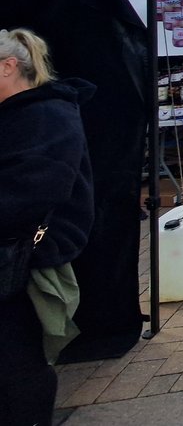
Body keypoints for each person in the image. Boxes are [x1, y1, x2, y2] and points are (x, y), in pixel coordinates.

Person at [0, 28, 95, 425]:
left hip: (23, 261)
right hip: (15, 256)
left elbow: (33, 191)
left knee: (16, 363)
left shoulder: (47, 115)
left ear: (8, 67)